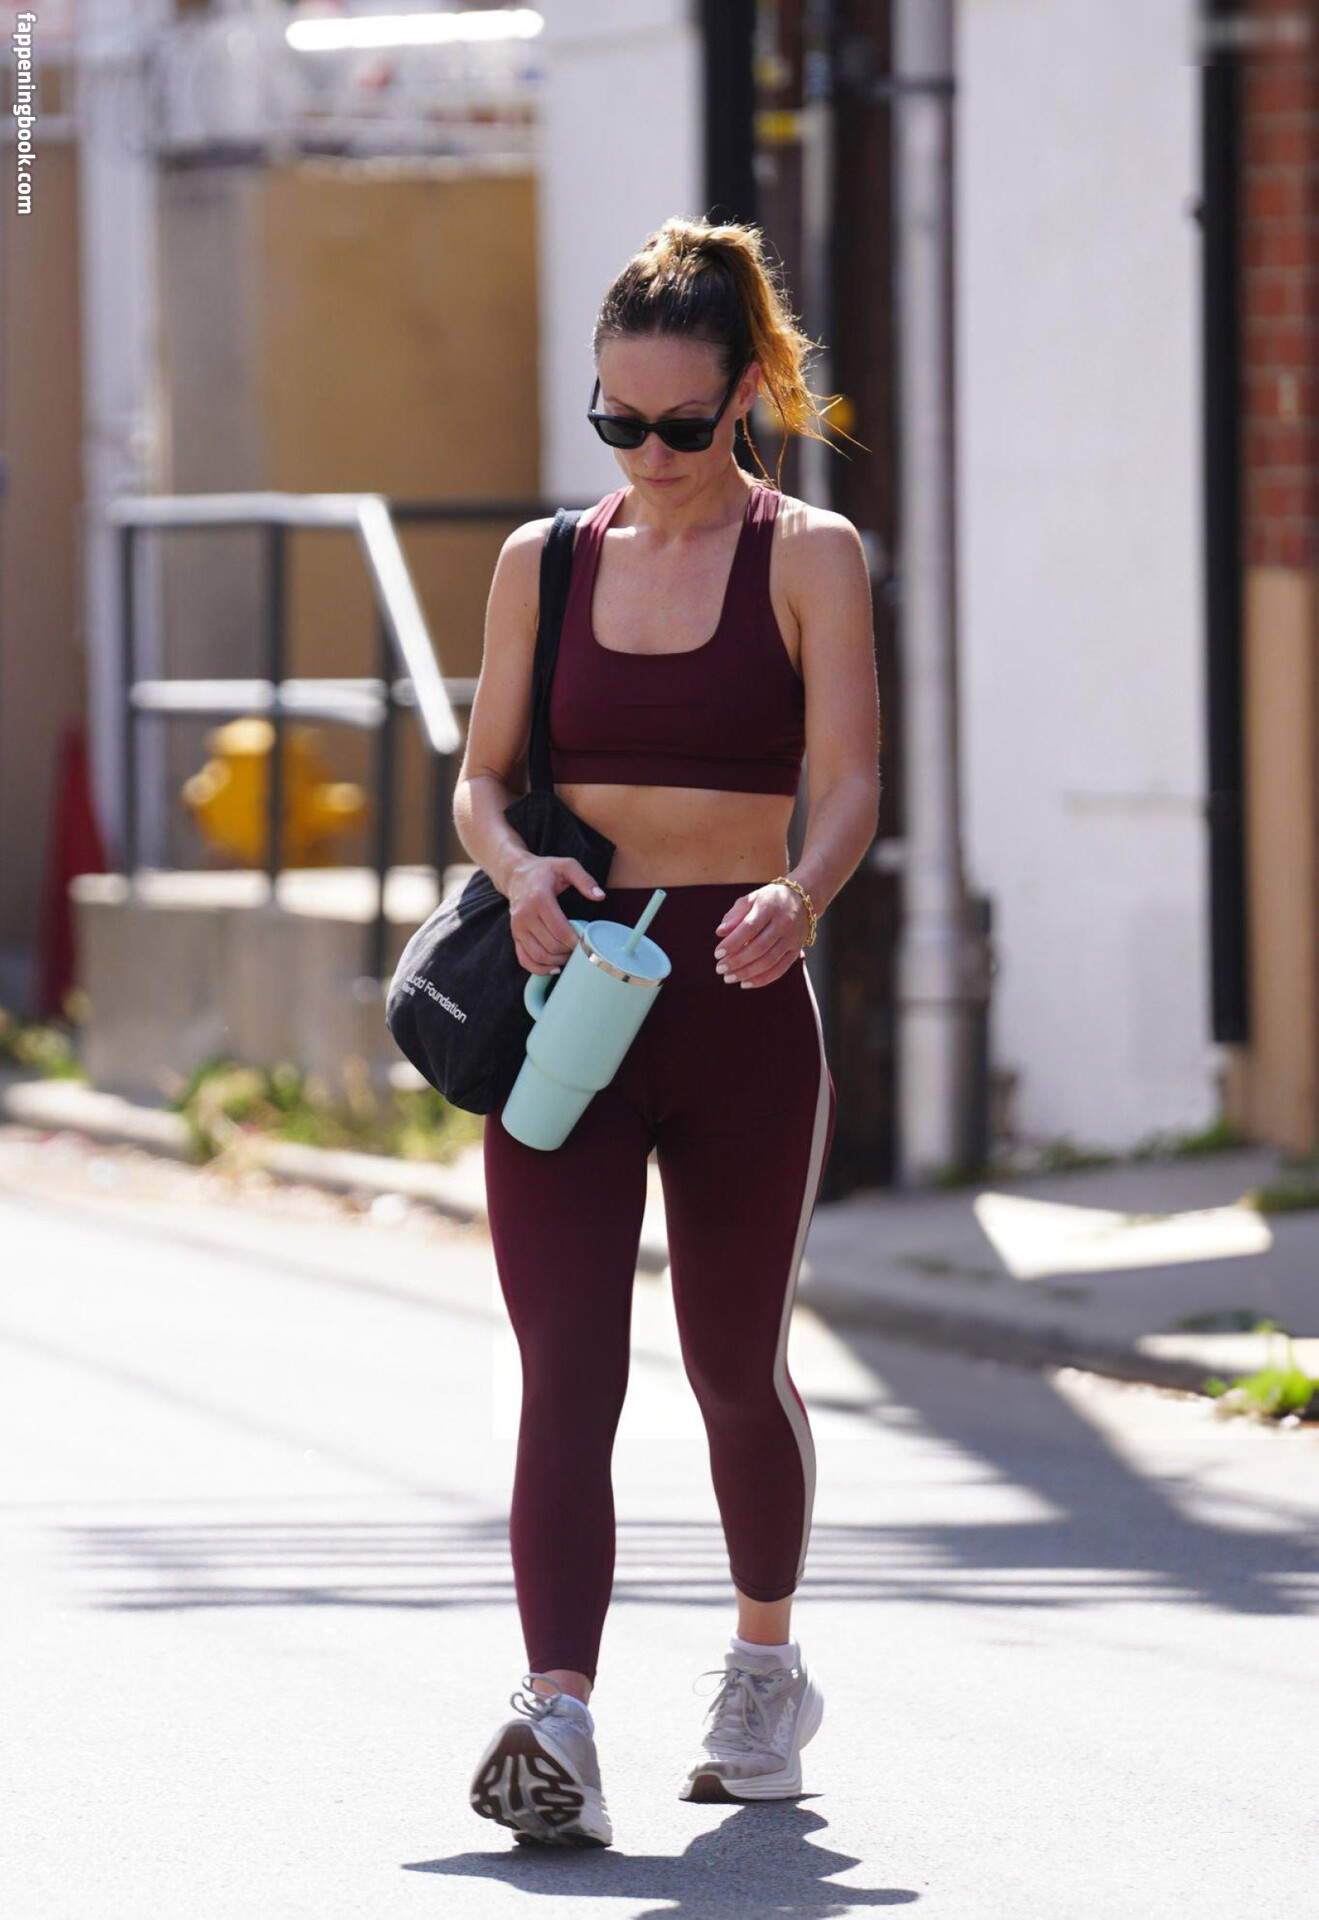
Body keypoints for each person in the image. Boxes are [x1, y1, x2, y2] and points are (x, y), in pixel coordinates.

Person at [454, 215, 880, 1848]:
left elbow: (850, 779)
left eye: (681, 425)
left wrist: (803, 894)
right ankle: (555, 1718)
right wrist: (517, 870)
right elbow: (483, 779)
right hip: (570, 995)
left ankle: (765, 1668)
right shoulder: (544, 561)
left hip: (740, 1002)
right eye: (615, 422)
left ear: (747, 394)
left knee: (730, 1366)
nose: (648, 454)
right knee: (566, 1365)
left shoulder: (808, 556)